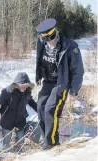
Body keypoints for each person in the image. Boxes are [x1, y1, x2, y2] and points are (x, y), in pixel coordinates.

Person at [35, 18, 84, 150]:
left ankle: (49, 143)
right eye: (45, 38)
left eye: (50, 37)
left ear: (55, 32)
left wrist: (74, 90)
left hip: (61, 83)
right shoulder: (41, 42)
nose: (48, 41)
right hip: (47, 82)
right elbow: (39, 58)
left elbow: (78, 70)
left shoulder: (70, 46)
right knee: (40, 107)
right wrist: (38, 75)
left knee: (50, 109)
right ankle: (50, 137)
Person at [0, 72, 37, 151]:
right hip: (7, 120)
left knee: (20, 141)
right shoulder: (6, 92)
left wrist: (40, 111)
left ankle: (18, 155)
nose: (24, 88)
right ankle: (6, 156)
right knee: (6, 143)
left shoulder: (27, 92)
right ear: (17, 84)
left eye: (26, 86)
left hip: (20, 120)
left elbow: (32, 103)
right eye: (22, 86)